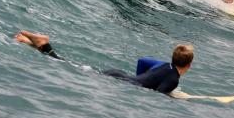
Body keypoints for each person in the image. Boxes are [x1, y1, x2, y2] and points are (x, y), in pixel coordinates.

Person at [15, 30, 193, 95]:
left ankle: (35, 44)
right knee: (68, 66)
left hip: (120, 75)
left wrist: (141, 79)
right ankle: (44, 43)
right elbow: (158, 95)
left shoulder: (163, 65)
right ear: (189, 65)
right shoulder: (174, 79)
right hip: (121, 82)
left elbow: (142, 61)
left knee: (73, 66)